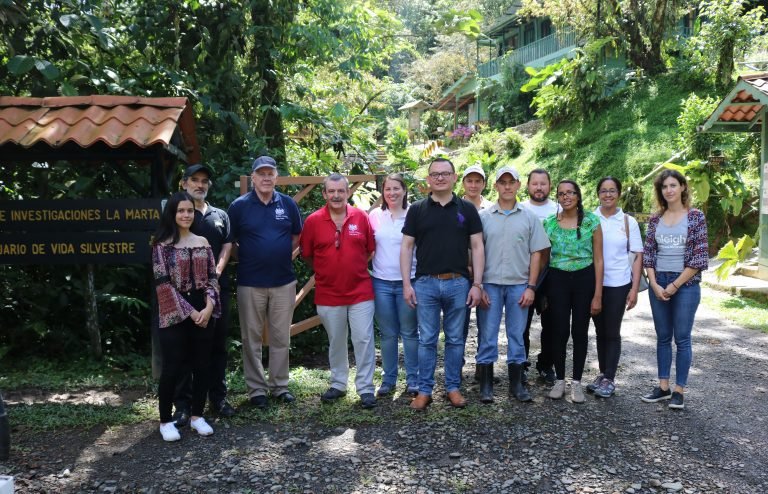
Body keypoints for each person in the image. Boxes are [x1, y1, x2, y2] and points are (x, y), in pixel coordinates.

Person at [401, 158, 484, 411]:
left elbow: (478, 246)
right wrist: (407, 284)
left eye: (444, 173)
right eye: (434, 174)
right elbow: (406, 247)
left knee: (456, 339)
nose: (439, 178)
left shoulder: (467, 209)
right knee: (426, 339)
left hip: (459, 283)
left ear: (454, 177)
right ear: (428, 179)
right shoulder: (416, 209)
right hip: (425, 283)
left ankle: (452, 388)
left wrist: (477, 284)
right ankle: (424, 391)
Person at [228, 156, 303, 409]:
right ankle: (256, 390)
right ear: (253, 178)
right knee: (251, 338)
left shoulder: (288, 204)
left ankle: (280, 386)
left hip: (283, 281)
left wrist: (279, 254)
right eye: (261, 174)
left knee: (282, 337)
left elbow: (296, 236)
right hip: (250, 282)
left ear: (276, 177)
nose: (266, 178)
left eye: (270, 173)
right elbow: (231, 243)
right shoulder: (238, 207)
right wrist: (250, 257)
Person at [300, 173, 378, 409]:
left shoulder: (361, 217)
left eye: (340, 191)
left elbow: (370, 250)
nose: (336, 195)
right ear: (324, 194)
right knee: (336, 340)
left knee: (363, 339)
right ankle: (338, 384)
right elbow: (307, 255)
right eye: (331, 191)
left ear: (348, 193)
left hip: (360, 291)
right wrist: (327, 272)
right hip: (328, 292)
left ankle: (365, 388)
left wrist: (351, 267)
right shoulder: (313, 221)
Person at [476, 166, 550, 403]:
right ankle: (486, 385)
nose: (507, 186)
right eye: (502, 182)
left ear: (519, 185)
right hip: (490, 285)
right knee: (487, 335)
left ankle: (516, 384)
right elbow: (475, 252)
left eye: (511, 182)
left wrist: (531, 287)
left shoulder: (529, 217)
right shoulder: (484, 217)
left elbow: (537, 253)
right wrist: (478, 285)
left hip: (519, 285)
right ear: (495, 186)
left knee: (517, 335)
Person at [152, 191, 220, 442]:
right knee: (172, 367)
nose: (185, 215)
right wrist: (190, 312)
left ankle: (196, 416)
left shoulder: (202, 241)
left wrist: (210, 306)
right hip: (174, 312)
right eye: (181, 210)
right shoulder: (162, 246)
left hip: (204, 310)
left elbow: (213, 277)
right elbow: (163, 284)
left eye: (189, 210)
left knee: (203, 365)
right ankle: (165, 421)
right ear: (172, 213)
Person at [172, 164, 235, 427]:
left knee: (217, 348)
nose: (200, 185)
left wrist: (216, 274)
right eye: (194, 180)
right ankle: (183, 406)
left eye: (204, 181)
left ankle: (217, 398)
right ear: (184, 184)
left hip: (217, 291)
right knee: (185, 349)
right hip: (186, 293)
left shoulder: (220, 215)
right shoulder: (180, 214)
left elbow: (228, 245)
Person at [640, 169, 707, 410]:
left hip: (686, 284)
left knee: (683, 338)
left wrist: (674, 285)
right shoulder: (656, 219)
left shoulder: (695, 217)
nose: (668, 190)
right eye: (664, 187)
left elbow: (699, 258)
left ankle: (679, 390)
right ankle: (663, 387)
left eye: (672, 185)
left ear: (682, 187)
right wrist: (655, 284)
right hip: (659, 282)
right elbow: (648, 254)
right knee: (663, 337)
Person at [543, 180, 603, 403]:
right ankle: (560, 380)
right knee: (559, 330)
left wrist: (597, 294)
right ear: (557, 197)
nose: (566, 196)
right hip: (557, 279)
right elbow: (543, 258)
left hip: (584, 278)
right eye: (561, 194)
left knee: (580, 330)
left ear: (578, 195)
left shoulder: (591, 222)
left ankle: (576, 382)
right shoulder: (549, 223)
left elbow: (599, 259)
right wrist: (541, 292)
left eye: (570, 192)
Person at [589, 177, 643, 399]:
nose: (608, 195)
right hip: (593, 284)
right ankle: (603, 374)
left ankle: (610, 378)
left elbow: (638, 255)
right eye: (603, 191)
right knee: (600, 331)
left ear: (619, 194)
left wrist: (634, 288)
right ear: (598, 194)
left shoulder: (628, 222)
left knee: (612, 331)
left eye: (612, 191)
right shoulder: (590, 218)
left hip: (619, 284)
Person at [369, 173, 419, 398]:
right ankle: (388, 380)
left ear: (404, 190)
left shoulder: (414, 214)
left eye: (396, 188)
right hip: (381, 282)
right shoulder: (375, 216)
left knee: (409, 332)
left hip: (409, 282)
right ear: (383, 192)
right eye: (387, 189)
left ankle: (413, 380)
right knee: (388, 334)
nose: (392, 193)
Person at [520, 168, 558, 385]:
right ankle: (521, 364)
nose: (539, 187)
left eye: (543, 183)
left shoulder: (559, 209)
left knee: (551, 324)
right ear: (528, 186)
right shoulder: (521, 209)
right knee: (521, 325)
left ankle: (546, 364)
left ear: (549, 186)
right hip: (524, 274)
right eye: (535, 183)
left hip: (552, 276)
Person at [459, 164, 493, 379]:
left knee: (486, 322)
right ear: (463, 183)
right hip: (461, 273)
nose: (473, 185)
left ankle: (483, 366)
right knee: (459, 324)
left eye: (478, 181)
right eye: (469, 180)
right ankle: (457, 366)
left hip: (486, 273)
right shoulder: (455, 207)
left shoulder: (491, 208)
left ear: (484, 184)